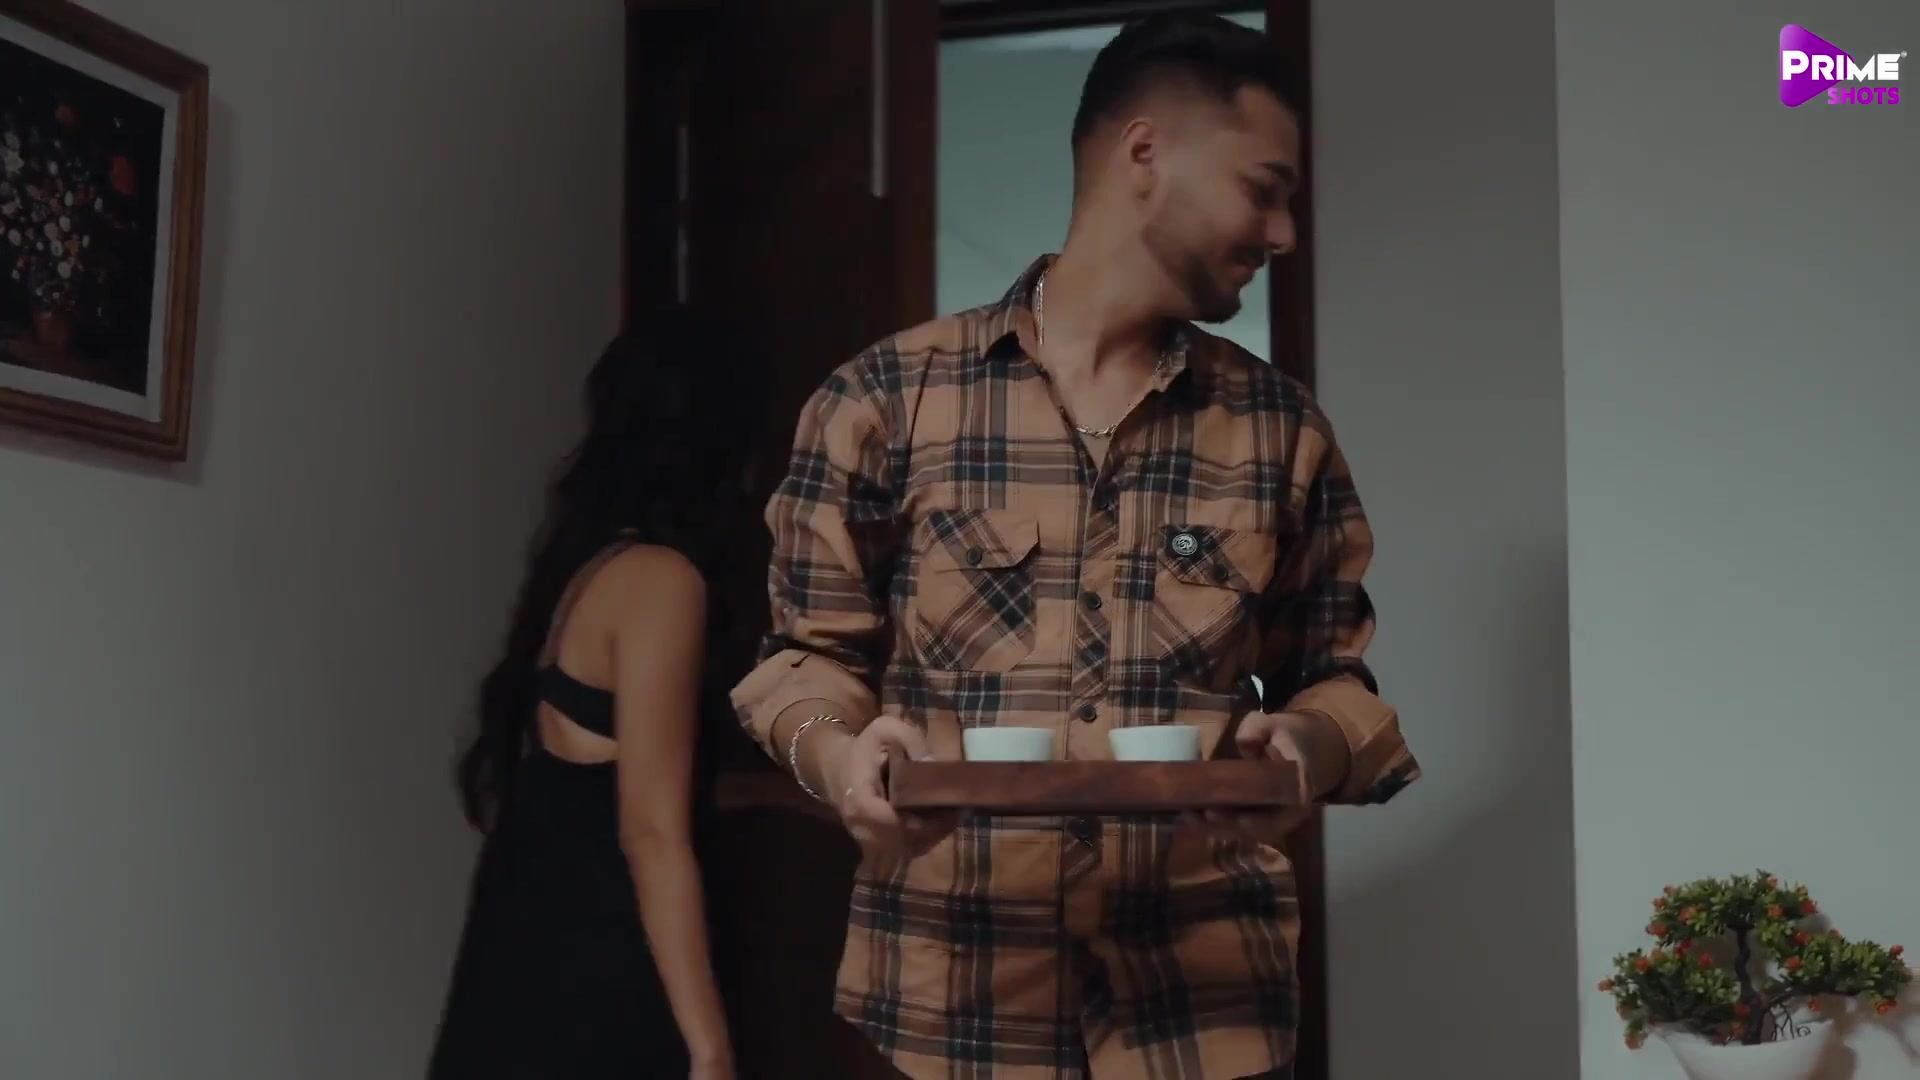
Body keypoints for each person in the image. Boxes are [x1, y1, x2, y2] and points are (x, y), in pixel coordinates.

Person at [730, 13, 1422, 1080]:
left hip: (1203, 1015)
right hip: (954, 1011)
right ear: (1146, 152)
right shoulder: (883, 398)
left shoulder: (1281, 429)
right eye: (1264, 188)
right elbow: (803, 661)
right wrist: (838, 755)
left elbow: (1337, 685)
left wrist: (1305, 749)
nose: (1284, 232)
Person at [430, 309, 762, 1080]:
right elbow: (650, 830)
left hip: (525, 967)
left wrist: (793, 798)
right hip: (592, 981)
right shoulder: (661, 581)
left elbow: (612, 782)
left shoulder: (594, 567)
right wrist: (710, 1049)